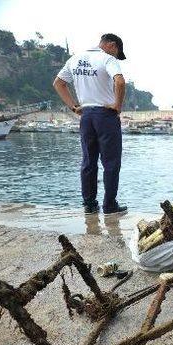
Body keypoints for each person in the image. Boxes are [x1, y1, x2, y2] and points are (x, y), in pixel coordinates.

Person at [53, 33, 128, 215]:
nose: (116, 56)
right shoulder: (107, 59)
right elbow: (119, 81)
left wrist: (73, 107)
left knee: (88, 161)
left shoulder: (75, 59)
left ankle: (89, 205)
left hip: (86, 116)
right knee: (111, 162)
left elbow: (58, 83)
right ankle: (109, 206)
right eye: (117, 52)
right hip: (105, 115)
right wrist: (117, 106)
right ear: (111, 45)